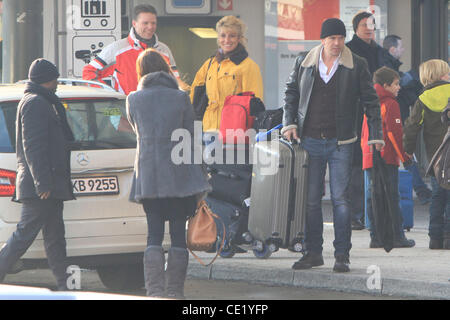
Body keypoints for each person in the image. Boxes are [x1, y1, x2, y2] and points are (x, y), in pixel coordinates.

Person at [282, 18, 384, 273]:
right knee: (311, 201)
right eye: (332, 38)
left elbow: (371, 102)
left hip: (342, 141)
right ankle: (313, 252)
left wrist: (375, 134)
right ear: (322, 40)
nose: (337, 43)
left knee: (341, 199)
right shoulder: (304, 62)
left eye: (340, 38)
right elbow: (291, 93)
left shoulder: (356, 64)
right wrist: (289, 123)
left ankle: (342, 256)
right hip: (310, 140)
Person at [126, 50, 211, 298]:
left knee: (153, 234)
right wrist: (202, 179)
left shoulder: (133, 99)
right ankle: (174, 292)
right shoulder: (180, 98)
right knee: (177, 235)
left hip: (149, 177)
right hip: (179, 178)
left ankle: (154, 292)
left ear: (141, 72)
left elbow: (135, 130)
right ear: (165, 69)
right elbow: (191, 140)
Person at [0, 59, 75, 290]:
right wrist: (42, 183)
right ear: (46, 80)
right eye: (55, 79)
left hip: (50, 183)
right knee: (24, 235)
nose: (57, 84)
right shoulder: (35, 103)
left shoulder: (43, 101)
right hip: (41, 185)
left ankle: (64, 285)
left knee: (55, 237)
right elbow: (33, 146)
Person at [361, 66, 415, 248]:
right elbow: (394, 134)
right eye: (396, 84)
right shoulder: (391, 104)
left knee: (373, 197)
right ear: (386, 85)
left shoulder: (369, 101)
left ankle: (376, 236)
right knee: (391, 196)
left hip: (369, 156)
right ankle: (397, 236)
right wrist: (405, 157)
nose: (399, 87)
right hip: (386, 156)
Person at [190, 15, 263, 139]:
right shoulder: (210, 64)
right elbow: (194, 93)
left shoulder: (248, 66)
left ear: (239, 38)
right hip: (208, 130)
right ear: (218, 38)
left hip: (235, 131)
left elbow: (254, 104)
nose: (227, 40)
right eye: (223, 35)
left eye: (232, 36)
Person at [83, 4, 182, 95]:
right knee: (110, 113)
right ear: (134, 23)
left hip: (156, 109)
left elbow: (175, 80)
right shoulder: (117, 49)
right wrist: (110, 95)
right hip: (125, 109)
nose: (150, 27)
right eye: (145, 23)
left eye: (153, 23)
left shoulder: (164, 50)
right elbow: (88, 72)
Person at [403, 59, 450, 250]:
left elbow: (412, 127)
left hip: (435, 157)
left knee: (438, 196)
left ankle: (435, 237)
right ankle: (449, 237)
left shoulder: (422, 99)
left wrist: (408, 150)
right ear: (441, 75)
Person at [346, 11, 386, 231]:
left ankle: (375, 214)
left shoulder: (380, 52)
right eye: (364, 24)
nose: (369, 27)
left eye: (372, 24)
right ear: (356, 28)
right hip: (355, 114)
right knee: (355, 165)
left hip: (378, 112)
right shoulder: (348, 51)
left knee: (376, 162)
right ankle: (355, 214)